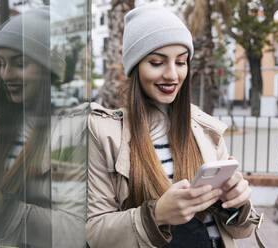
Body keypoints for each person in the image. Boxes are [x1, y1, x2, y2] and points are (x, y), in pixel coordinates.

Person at [87, 4, 262, 248]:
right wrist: (156, 214)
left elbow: (240, 232)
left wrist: (239, 204)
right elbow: (94, 234)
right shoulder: (105, 133)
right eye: (157, 62)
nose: (172, 75)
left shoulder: (204, 128)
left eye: (181, 62)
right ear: (135, 68)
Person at [0, 8, 87, 248]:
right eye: (2, 64)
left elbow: (75, 232)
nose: (6, 74)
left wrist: (2, 209)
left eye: (20, 64)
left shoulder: (72, 136)